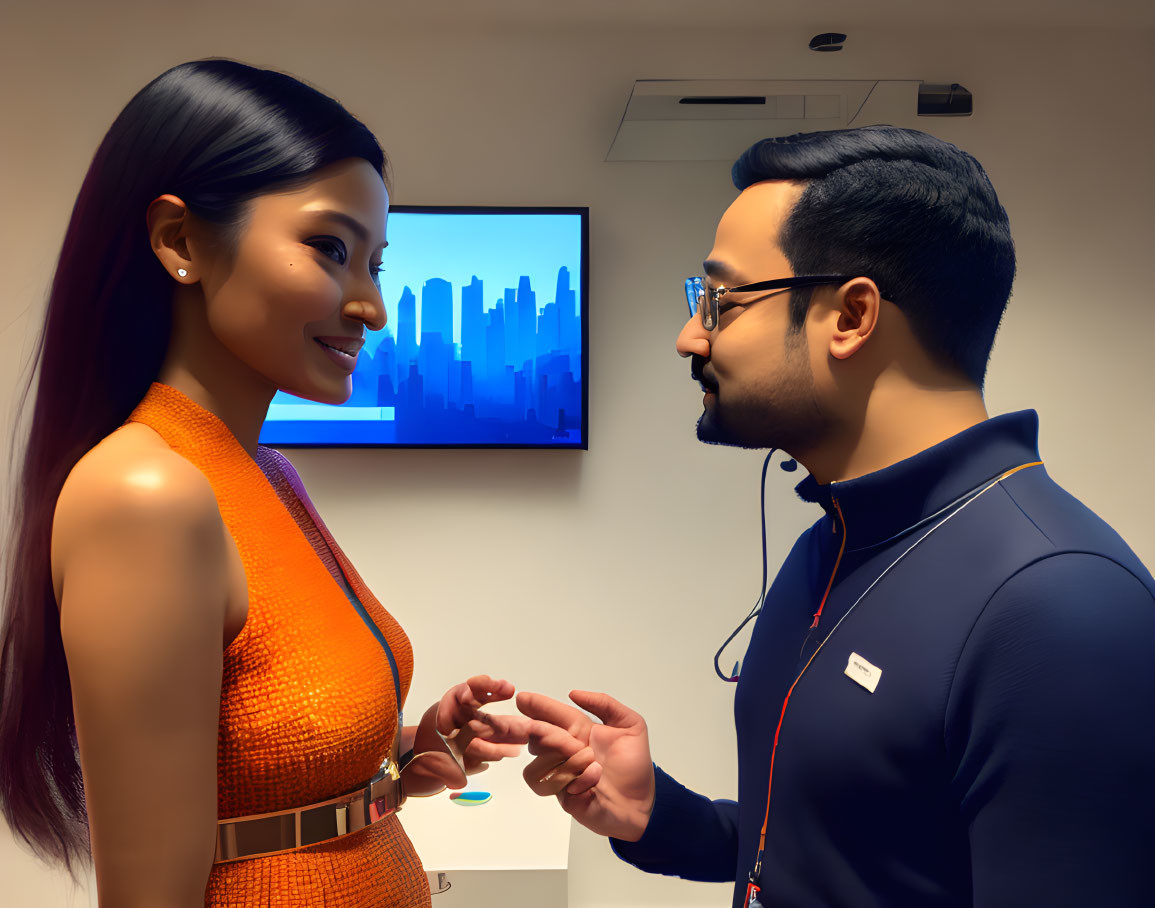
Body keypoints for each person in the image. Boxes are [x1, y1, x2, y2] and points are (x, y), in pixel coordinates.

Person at [516, 125, 1155, 907]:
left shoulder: (1058, 606)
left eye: (720, 300)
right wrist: (654, 815)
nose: (691, 335)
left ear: (851, 316)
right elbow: (829, 856)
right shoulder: (832, 543)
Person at [0, 58, 529, 907]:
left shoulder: (264, 471)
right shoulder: (148, 493)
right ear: (179, 243)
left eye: (374, 263)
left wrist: (399, 755)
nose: (370, 305)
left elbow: (252, 762)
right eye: (328, 248)